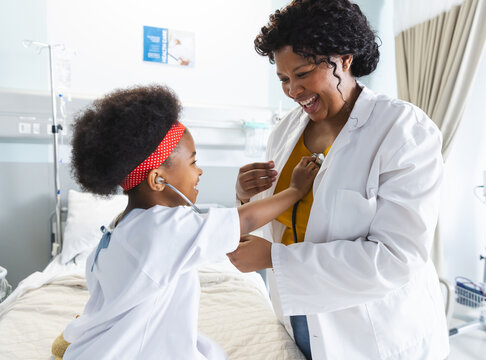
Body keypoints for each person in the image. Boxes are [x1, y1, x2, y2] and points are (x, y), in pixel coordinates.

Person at [227, 0, 449, 359]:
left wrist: (275, 260)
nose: (292, 91)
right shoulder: (284, 133)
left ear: (344, 59)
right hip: (300, 315)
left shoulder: (403, 130)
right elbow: (277, 225)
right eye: (283, 79)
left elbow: (396, 258)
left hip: (374, 332)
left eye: (302, 74)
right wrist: (243, 197)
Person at [62, 84, 319, 359]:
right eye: (193, 162)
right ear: (158, 179)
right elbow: (244, 221)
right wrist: (295, 191)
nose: (200, 171)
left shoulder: (116, 231)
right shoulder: (164, 228)